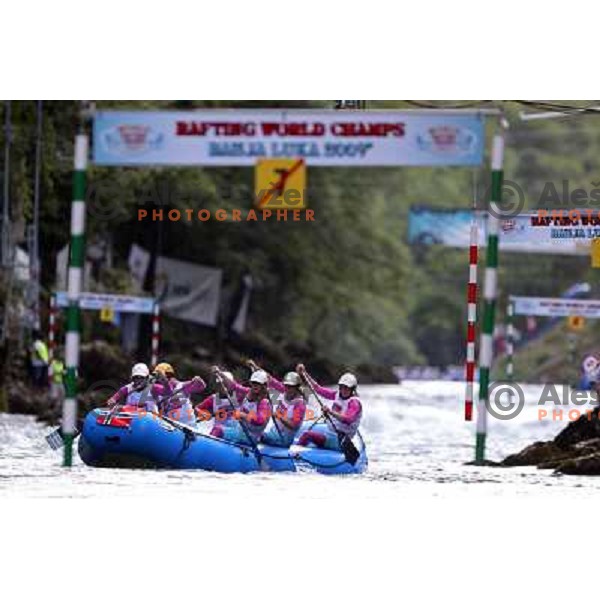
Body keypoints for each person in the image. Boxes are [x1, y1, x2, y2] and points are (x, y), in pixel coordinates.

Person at [296, 364, 362, 450]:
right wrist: (304, 374)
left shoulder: (354, 403)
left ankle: (294, 454)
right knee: (306, 434)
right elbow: (317, 389)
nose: (343, 390)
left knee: (307, 435)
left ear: (352, 389)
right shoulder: (337, 395)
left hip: (341, 441)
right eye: (342, 387)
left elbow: (348, 419)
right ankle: (295, 455)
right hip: (330, 436)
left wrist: (330, 412)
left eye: (347, 388)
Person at [247, 360, 307, 447]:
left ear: (297, 388)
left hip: (284, 439)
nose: (287, 389)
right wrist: (255, 367)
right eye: (286, 385)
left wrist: (279, 416)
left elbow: (294, 425)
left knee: (253, 436)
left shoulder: (300, 405)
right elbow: (269, 378)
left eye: (290, 387)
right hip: (274, 432)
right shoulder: (284, 391)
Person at [213, 367, 271, 444]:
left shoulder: (263, 402)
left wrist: (243, 415)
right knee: (221, 422)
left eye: (258, 384)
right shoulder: (248, 391)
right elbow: (233, 385)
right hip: (241, 428)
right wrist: (219, 373)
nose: (255, 386)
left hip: (250, 436)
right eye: (254, 383)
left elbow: (260, 420)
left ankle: (207, 449)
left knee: (218, 430)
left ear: (264, 386)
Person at [195, 370, 239, 437]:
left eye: (226, 385)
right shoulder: (214, 398)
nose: (223, 387)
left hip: (233, 431)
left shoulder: (238, 397)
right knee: (216, 429)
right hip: (217, 430)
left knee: (218, 430)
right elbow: (196, 409)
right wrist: (203, 413)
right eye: (220, 385)